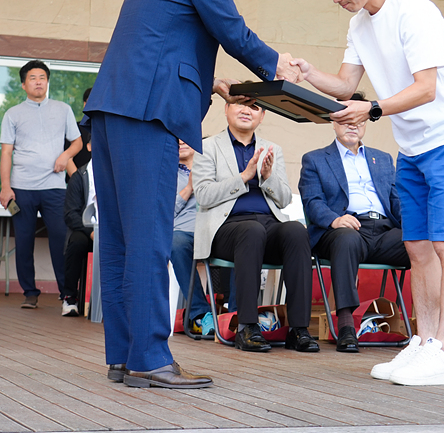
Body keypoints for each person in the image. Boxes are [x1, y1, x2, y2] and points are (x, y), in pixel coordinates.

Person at [83, 0, 300, 389]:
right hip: (149, 115)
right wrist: (276, 66)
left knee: (118, 240)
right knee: (150, 238)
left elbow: (162, 44)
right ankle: (153, 359)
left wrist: (214, 85)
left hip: (113, 111)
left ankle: (125, 356)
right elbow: (233, 31)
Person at [296, 0, 444, 386]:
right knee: (418, 249)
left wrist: (373, 109)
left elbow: (426, 88)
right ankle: (421, 343)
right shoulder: (359, 25)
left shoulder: (414, 10)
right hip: (413, 148)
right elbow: (344, 86)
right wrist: (305, 74)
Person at [193, 100, 318, 353]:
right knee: (251, 230)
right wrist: (244, 177)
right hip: (227, 228)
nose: (246, 110)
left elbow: (283, 199)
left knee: (296, 231)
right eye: (239, 104)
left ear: (262, 115)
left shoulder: (272, 149)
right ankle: (247, 327)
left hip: (267, 225)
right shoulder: (207, 147)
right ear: (226, 109)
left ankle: (298, 329)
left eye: (254, 107)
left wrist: (268, 177)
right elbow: (203, 195)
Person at [299, 97, 406, 353]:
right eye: (345, 119)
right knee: (347, 238)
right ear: (333, 122)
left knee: (421, 244)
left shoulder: (382, 159)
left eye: (358, 119)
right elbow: (312, 201)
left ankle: (431, 329)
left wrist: (417, 228)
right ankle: (346, 326)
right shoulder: (315, 159)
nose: (352, 125)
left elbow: (396, 201)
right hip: (340, 230)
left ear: (367, 122)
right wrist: (335, 220)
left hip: (383, 231)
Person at [0, 60, 82, 311]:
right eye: (33, 78)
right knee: (24, 242)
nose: (38, 81)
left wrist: (65, 156)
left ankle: (67, 295)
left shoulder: (63, 109)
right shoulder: (12, 113)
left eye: (42, 77)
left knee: (61, 240)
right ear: (24, 84)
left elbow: (77, 142)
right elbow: (6, 153)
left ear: (47, 81)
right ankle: (30, 293)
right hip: (22, 187)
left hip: (55, 188)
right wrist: (5, 187)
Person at [170, 138, 212, 334]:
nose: (181, 141)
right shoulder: (166, 174)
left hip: (215, 230)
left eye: (185, 137)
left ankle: (237, 315)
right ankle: (202, 314)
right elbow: (163, 215)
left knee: (243, 236)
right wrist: (188, 188)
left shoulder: (212, 168)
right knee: (176, 243)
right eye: (175, 139)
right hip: (184, 234)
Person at [62, 133, 95, 317]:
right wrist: (90, 232)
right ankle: (69, 297)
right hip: (86, 229)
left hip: (110, 231)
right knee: (77, 243)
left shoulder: (118, 176)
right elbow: (70, 214)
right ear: (89, 147)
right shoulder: (79, 177)